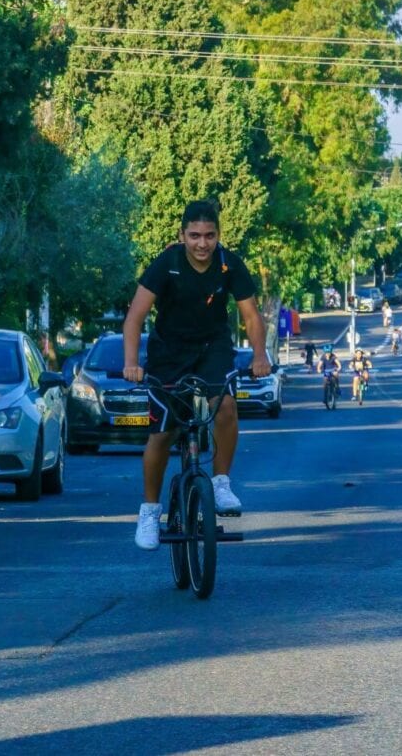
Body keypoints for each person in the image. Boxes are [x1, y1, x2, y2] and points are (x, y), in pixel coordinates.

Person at [122, 199, 271, 550]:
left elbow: (251, 315)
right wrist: (131, 363)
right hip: (169, 352)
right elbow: (135, 317)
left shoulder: (229, 264)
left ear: (218, 235)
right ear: (182, 235)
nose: (202, 244)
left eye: (209, 236)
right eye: (194, 236)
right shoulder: (167, 263)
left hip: (212, 347)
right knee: (163, 433)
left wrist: (260, 355)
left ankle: (220, 483)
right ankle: (149, 511)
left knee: (226, 406)